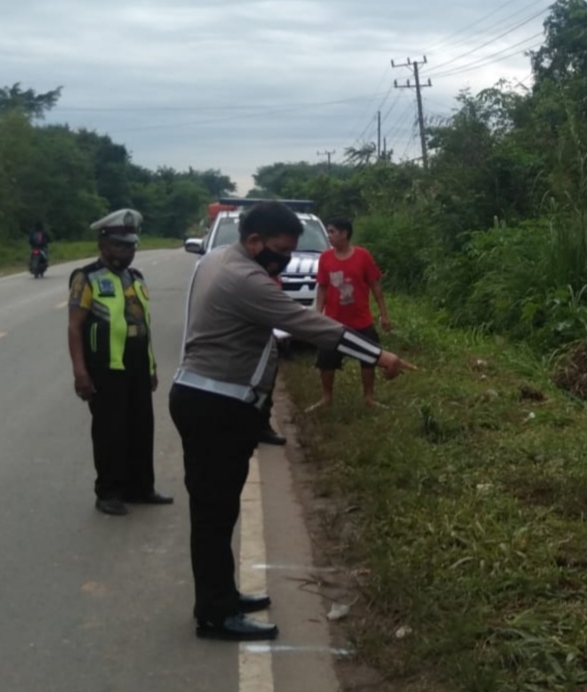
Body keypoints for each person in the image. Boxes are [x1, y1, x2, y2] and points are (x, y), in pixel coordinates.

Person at [170, 201, 415, 642]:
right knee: (213, 514)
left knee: (219, 511)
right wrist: (379, 356)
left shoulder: (217, 259)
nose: (284, 261)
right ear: (254, 242)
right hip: (214, 406)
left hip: (211, 399)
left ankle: (222, 593)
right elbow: (308, 324)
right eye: (281, 252)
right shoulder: (244, 279)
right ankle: (214, 613)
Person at [66, 209, 173, 516]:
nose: (128, 251)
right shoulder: (86, 278)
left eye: (131, 245)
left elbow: (143, 324)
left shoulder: (135, 277)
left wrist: (151, 367)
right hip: (104, 366)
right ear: (104, 245)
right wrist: (80, 372)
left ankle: (141, 488)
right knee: (110, 431)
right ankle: (109, 492)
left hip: (137, 364)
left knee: (141, 427)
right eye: (120, 245)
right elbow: (75, 327)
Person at [310, 216, 391, 409]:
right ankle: (326, 397)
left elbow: (375, 286)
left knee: (369, 359)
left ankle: (369, 397)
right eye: (328, 232)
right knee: (326, 361)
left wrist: (384, 315)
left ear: (344, 233)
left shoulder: (363, 256)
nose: (329, 236)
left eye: (332, 232)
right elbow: (322, 287)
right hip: (333, 322)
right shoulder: (325, 258)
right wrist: (318, 314)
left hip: (361, 321)